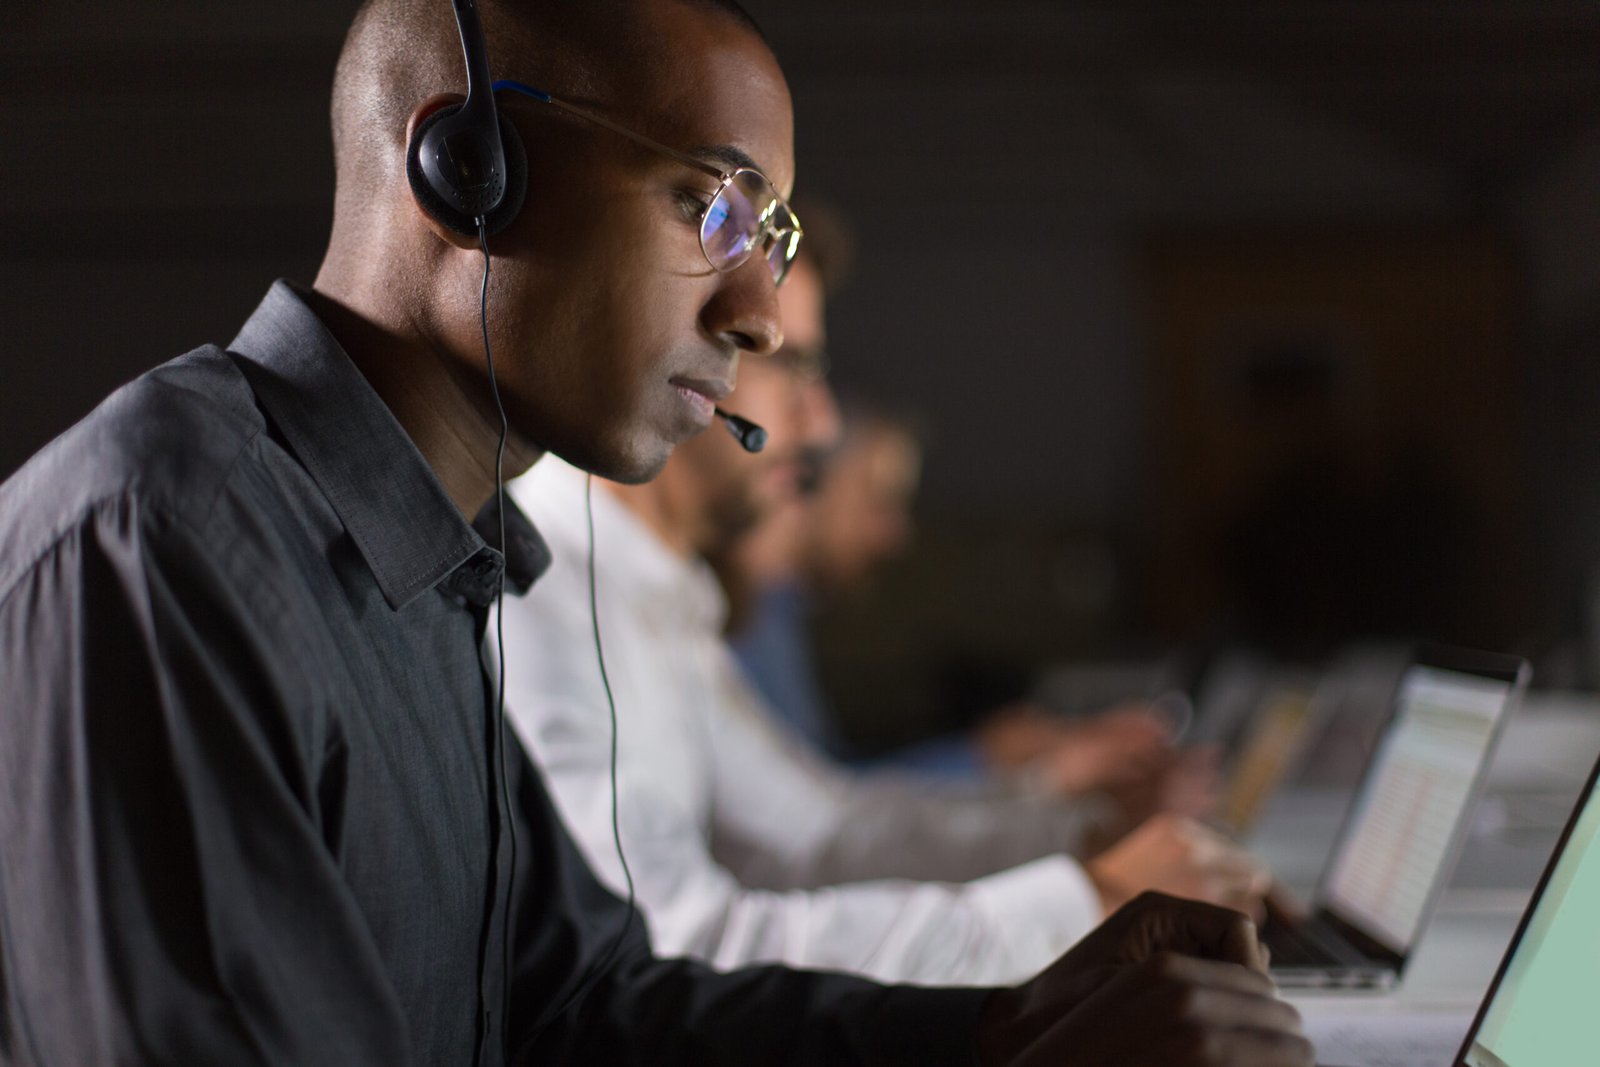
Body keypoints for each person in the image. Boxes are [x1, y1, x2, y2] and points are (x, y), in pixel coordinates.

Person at [0, 1, 1311, 1064]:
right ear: (471, 172)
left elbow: (583, 1009)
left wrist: (1014, 1028)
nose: (759, 312)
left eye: (773, 235)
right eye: (712, 207)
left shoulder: (442, 561)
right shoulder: (167, 541)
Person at [500, 241, 1271, 984]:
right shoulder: (545, 590)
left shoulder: (657, 590)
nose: (823, 426)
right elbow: (667, 949)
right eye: (792, 367)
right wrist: (1090, 902)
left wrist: (1083, 837)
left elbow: (820, 836)